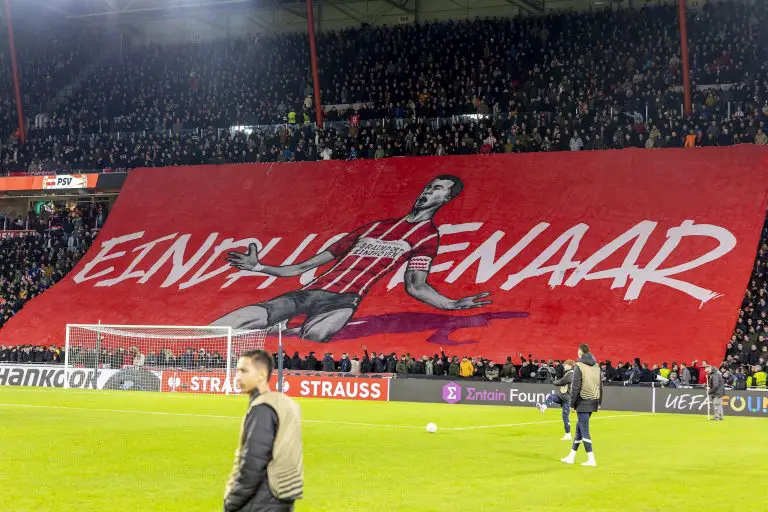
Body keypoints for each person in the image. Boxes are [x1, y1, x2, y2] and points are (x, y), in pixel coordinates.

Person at [212, 176, 491, 341]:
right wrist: (259, 267)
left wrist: (452, 305)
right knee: (243, 317)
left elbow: (415, 286)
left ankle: (278, 330)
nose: (429, 190)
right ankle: (196, 338)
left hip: (345, 302)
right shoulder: (373, 228)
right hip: (310, 293)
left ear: (447, 198)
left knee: (316, 336)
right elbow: (303, 266)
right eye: (429, 186)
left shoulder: (427, 238)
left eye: (438, 188)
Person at [224, 349, 303, 511]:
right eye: (237, 370)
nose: (238, 376)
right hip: (282, 496)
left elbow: (253, 463)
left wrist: (231, 502)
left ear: (261, 375)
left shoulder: (262, 408)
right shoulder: (284, 403)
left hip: (261, 500)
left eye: (244, 371)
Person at [561, 344, 602, 467]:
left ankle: (591, 459)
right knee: (579, 429)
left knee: (584, 430)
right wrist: (599, 401)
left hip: (582, 401)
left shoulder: (579, 366)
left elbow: (575, 387)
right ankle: (571, 456)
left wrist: (571, 404)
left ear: (580, 353)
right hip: (593, 399)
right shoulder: (596, 365)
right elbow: (601, 384)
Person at [536, 359, 575, 440]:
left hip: (566, 396)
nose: (564, 366)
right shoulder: (569, 373)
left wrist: (553, 381)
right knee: (565, 416)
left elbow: (561, 382)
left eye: (566, 365)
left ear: (570, 366)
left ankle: (543, 407)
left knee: (552, 397)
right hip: (566, 397)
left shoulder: (570, 374)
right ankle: (568, 434)